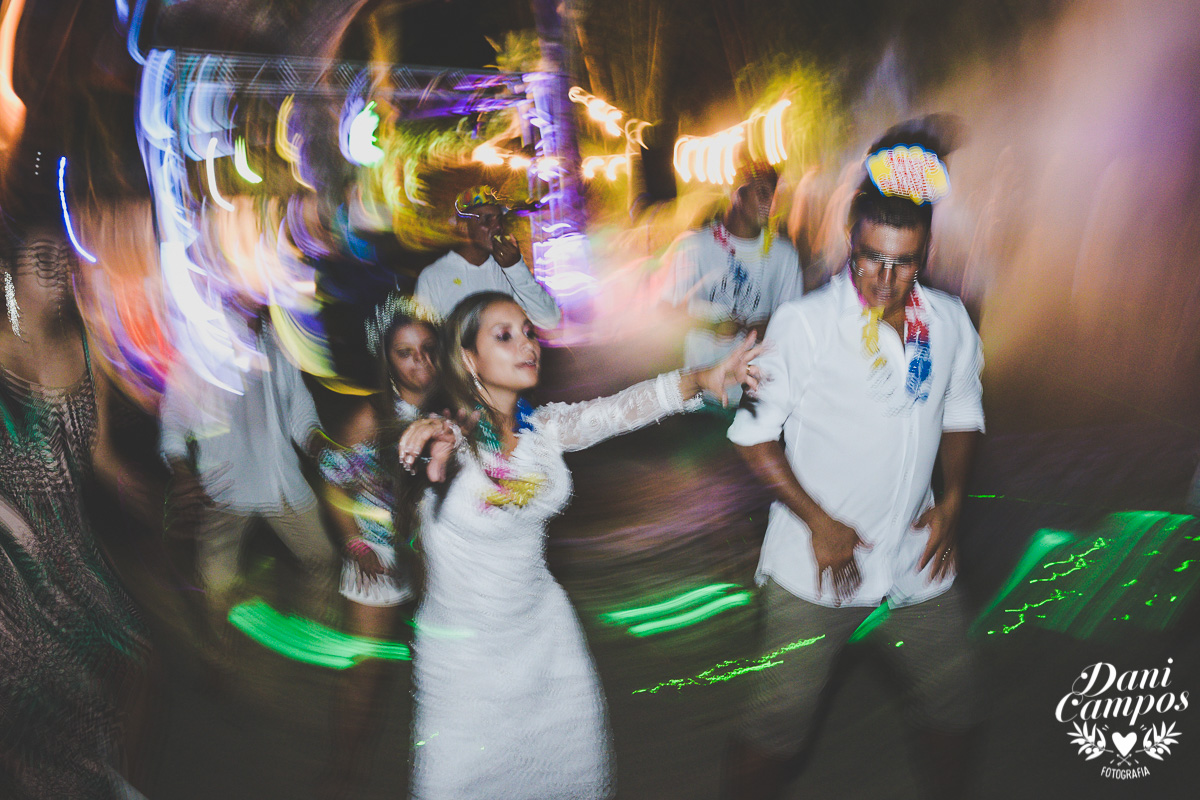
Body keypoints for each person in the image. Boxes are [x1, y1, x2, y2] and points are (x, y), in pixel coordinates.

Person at [396, 291, 763, 800]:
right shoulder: (447, 438)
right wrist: (435, 429)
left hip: (543, 639)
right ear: (467, 359)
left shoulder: (543, 430)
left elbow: (616, 412)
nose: (527, 343)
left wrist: (699, 378)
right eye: (504, 336)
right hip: (466, 657)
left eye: (528, 331)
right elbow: (435, 438)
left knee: (560, 777)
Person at [722, 124, 985, 800]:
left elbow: (960, 411)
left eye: (903, 263)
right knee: (778, 730)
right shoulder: (805, 324)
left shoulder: (950, 320)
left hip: (914, 559)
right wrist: (819, 519)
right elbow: (754, 437)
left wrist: (953, 499)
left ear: (925, 252)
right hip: (816, 569)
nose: (883, 279)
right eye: (870, 258)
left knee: (953, 706)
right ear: (850, 238)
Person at [0, 226, 152, 798]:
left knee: (134, 656)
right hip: (9, 560)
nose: (52, 265)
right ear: (10, 271)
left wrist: (132, 484)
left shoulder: (86, 344)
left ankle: (120, 785)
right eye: (38, 254)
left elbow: (99, 453)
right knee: (25, 700)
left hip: (69, 548)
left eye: (59, 256)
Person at [159, 305, 338, 666]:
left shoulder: (279, 340)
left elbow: (300, 412)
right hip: (223, 488)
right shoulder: (203, 341)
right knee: (217, 584)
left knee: (322, 558)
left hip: (281, 482)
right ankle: (219, 658)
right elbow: (174, 417)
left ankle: (310, 642)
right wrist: (181, 471)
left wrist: (322, 447)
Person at [318, 295, 441, 797]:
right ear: (386, 359)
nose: (419, 363)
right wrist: (353, 542)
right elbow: (332, 486)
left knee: (436, 668)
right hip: (378, 559)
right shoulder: (368, 417)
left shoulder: (448, 411)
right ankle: (346, 772)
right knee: (364, 682)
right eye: (405, 352)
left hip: (436, 558)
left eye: (427, 351)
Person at [660, 155, 802, 406]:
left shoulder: (784, 254)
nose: (769, 201)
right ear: (736, 193)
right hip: (700, 396)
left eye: (774, 193)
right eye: (761, 191)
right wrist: (712, 326)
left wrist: (767, 327)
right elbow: (666, 313)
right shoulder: (694, 246)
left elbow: (796, 324)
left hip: (755, 397)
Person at [414, 186, 561, 328]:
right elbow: (426, 338)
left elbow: (549, 320)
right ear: (463, 227)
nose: (498, 227)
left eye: (499, 219)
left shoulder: (508, 270)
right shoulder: (433, 276)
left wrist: (515, 267)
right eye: (487, 219)